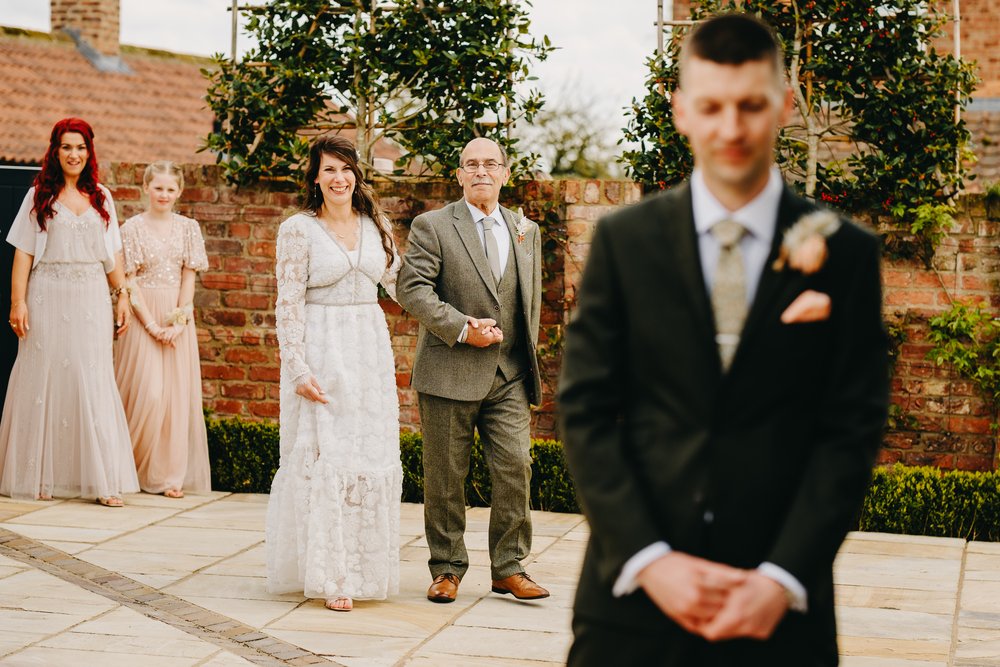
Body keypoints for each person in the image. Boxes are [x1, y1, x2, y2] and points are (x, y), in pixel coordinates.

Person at [558, 13, 889, 666]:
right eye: (711, 107)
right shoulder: (625, 243)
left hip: (780, 618)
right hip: (631, 611)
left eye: (750, 106)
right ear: (681, 110)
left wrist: (782, 576)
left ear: (785, 106)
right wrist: (651, 560)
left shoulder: (846, 254)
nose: (730, 129)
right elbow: (586, 410)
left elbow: (851, 427)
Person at [397, 137, 549, 604]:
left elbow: (531, 300)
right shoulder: (433, 225)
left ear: (505, 173)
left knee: (514, 469)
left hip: (510, 376)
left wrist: (525, 357)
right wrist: (463, 328)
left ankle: (509, 568)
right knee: (445, 477)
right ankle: (446, 568)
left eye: (490, 164)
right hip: (449, 372)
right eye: (471, 165)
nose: (481, 171)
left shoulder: (527, 230)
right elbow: (412, 289)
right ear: (459, 175)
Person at [266, 135, 402, 612]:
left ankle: (366, 571)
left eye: (345, 169)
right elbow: (287, 304)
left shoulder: (376, 224)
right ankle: (332, 575)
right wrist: (297, 367)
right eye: (328, 170)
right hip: (322, 352)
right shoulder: (298, 230)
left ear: (357, 175)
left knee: (368, 458)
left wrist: (461, 317)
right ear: (315, 178)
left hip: (369, 351)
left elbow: (404, 285)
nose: (339, 178)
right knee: (328, 460)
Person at [0, 117, 140, 507]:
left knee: (91, 378)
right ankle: (38, 476)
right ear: (55, 151)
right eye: (66, 147)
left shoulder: (102, 197)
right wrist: (18, 301)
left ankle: (101, 481)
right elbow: (23, 252)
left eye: (80, 147)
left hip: (92, 296)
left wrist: (123, 295)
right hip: (47, 292)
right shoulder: (38, 196)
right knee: (42, 378)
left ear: (89, 151)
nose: (73, 154)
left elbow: (112, 255)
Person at [113, 161, 211, 499]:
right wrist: (152, 325)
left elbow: (189, 277)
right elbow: (129, 280)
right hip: (143, 317)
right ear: (145, 188)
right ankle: (130, 468)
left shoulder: (189, 228)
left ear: (179, 192)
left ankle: (169, 477)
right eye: (158, 188)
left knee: (174, 399)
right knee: (148, 393)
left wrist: (179, 322)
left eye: (171, 189)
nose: (164, 194)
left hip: (176, 317)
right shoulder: (131, 228)